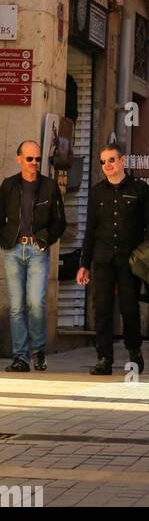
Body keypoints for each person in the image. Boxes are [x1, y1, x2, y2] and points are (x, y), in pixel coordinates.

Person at [76, 145, 149, 376]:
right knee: (101, 308)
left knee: (129, 307)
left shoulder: (140, 189)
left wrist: (146, 252)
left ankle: (134, 351)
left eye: (111, 160)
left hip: (129, 259)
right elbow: (90, 229)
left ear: (122, 161)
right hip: (102, 258)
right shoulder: (97, 192)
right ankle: (104, 358)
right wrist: (84, 263)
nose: (107, 165)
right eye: (102, 162)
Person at [0, 141, 66, 372]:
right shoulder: (8, 185)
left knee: (36, 302)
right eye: (30, 159)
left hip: (38, 251)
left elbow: (60, 222)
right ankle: (21, 357)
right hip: (13, 251)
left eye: (38, 159)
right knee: (16, 306)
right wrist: (5, 240)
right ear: (19, 159)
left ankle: (38, 351)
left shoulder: (49, 186)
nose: (35, 163)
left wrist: (44, 239)